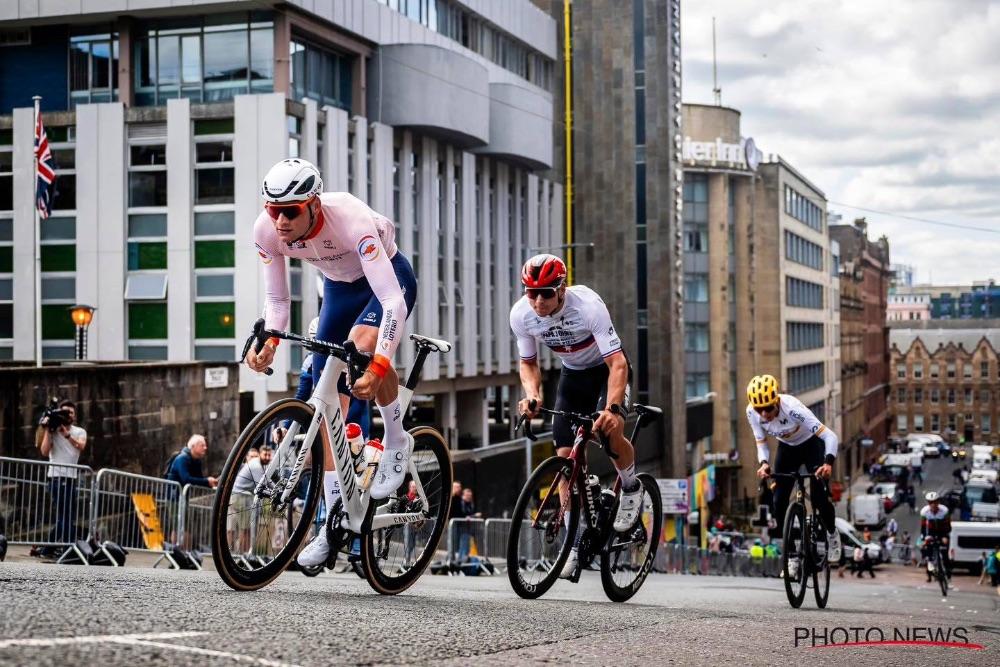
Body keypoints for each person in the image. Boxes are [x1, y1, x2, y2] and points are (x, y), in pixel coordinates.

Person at [241, 159, 418, 569]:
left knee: (360, 348)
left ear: (314, 205)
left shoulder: (350, 218)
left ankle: (396, 438)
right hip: (338, 289)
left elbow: (392, 300)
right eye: (273, 210)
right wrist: (268, 340)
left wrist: (378, 365)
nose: (280, 221)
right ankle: (334, 522)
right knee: (326, 405)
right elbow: (279, 301)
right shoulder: (266, 232)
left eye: (290, 212)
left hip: (387, 280)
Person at [511, 254, 640, 579]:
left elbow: (618, 365)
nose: (538, 301)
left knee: (611, 434)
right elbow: (528, 363)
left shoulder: (588, 307)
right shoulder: (521, 315)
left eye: (546, 293)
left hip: (606, 372)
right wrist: (533, 395)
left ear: (562, 289)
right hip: (572, 377)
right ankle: (571, 544)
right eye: (531, 293)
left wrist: (612, 409)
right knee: (564, 457)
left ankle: (631, 487)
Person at [746, 374, 843, 577]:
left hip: (811, 446)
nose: (764, 414)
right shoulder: (752, 412)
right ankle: (791, 556)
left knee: (818, 497)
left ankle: (832, 533)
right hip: (787, 448)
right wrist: (764, 464)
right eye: (759, 409)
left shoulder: (792, 409)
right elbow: (761, 442)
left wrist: (828, 463)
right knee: (779, 502)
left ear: (776, 401)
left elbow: (829, 436)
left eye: (768, 408)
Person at [297, 316, 371, 437]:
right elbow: (301, 396)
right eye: (317, 343)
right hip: (330, 414)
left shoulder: (349, 357)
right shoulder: (310, 361)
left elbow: (359, 400)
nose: (323, 350)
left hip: (354, 419)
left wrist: (340, 423)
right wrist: (285, 427)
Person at [37, 400, 87, 553]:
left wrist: (67, 435)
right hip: (57, 479)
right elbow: (44, 452)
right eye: (64, 412)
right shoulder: (53, 431)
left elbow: (81, 446)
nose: (68, 415)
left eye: (70, 413)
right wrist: (48, 430)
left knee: (65, 517)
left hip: (71, 479)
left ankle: (47, 549)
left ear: (74, 416)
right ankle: (68, 548)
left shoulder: (79, 431)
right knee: (65, 517)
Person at [919, 490, 951, 583]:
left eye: (935, 502)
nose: (933, 504)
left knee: (945, 554)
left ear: (938, 502)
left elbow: (948, 526)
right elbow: (923, 527)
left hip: (943, 532)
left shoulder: (944, 511)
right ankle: (930, 570)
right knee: (927, 552)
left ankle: (948, 573)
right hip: (931, 532)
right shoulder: (924, 512)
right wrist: (923, 539)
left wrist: (945, 536)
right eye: (930, 502)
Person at [455, 488, 482, 562]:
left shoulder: (471, 504)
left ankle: (462, 560)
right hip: (462, 527)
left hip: (468, 527)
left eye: (470, 495)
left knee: (465, 545)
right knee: (463, 545)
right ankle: (461, 560)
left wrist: (472, 516)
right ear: (463, 495)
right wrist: (475, 516)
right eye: (467, 495)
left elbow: (469, 514)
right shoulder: (461, 503)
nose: (469, 497)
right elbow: (464, 515)